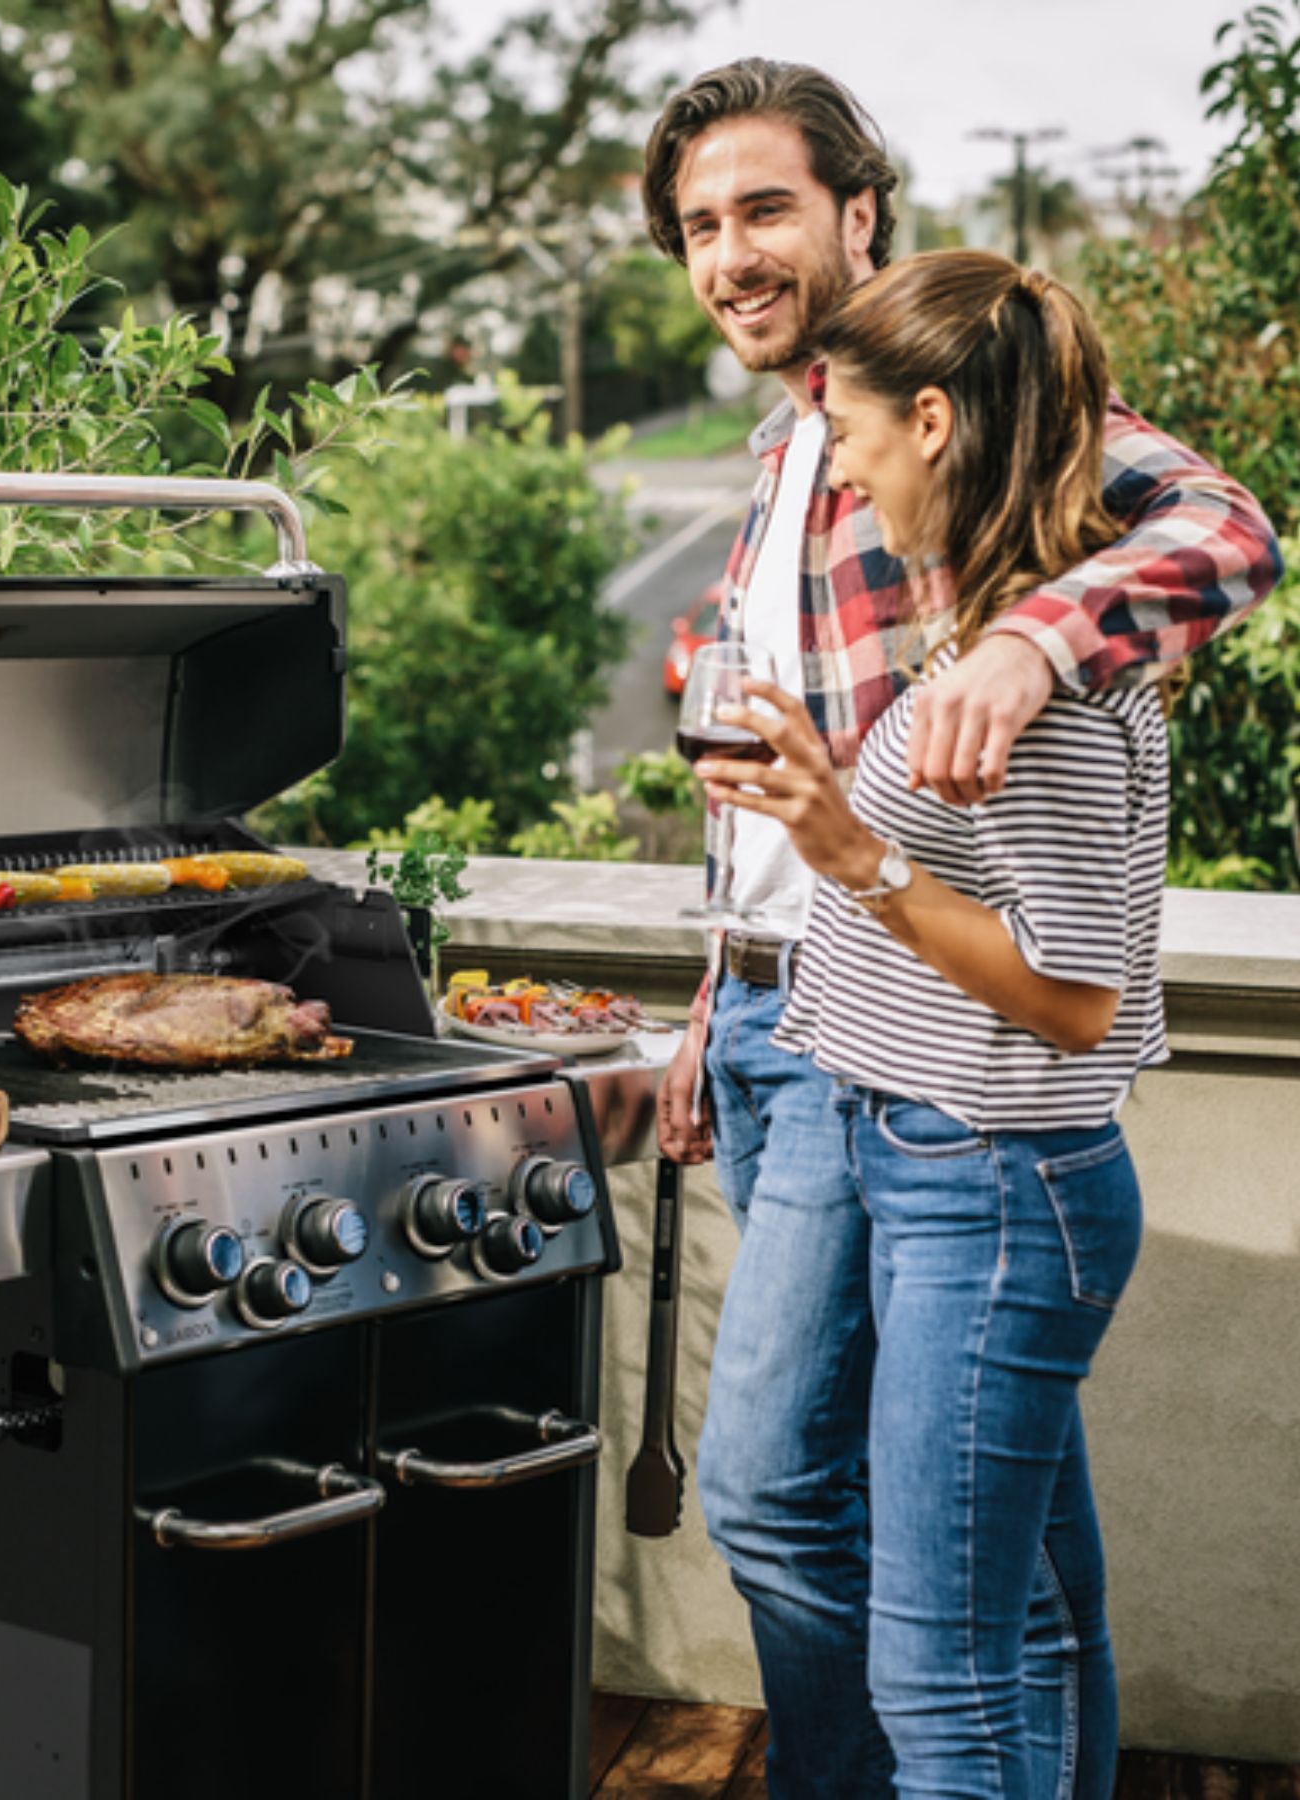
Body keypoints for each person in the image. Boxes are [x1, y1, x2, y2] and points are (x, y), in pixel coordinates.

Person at [639, 60, 1282, 1800]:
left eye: (765, 208)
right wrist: (714, 996)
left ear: (861, 208)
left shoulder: (963, 395)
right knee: (1011, 1560)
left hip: (938, 1068)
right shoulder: (788, 453)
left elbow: (1231, 526)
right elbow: (778, 791)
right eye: (700, 226)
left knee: (810, 1521)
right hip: (799, 1020)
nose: (731, 256)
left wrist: (1033, 643)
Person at [700, 247, 1165, 1797]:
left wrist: (858, 857)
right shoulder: (974, 642)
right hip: (938, 1165)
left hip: (998, 1187)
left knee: (945, 1686)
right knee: (1004, 1626)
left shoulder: (1041, 684)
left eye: (853, 433)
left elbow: (1075, 997)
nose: (837, 459)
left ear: (937, 425)